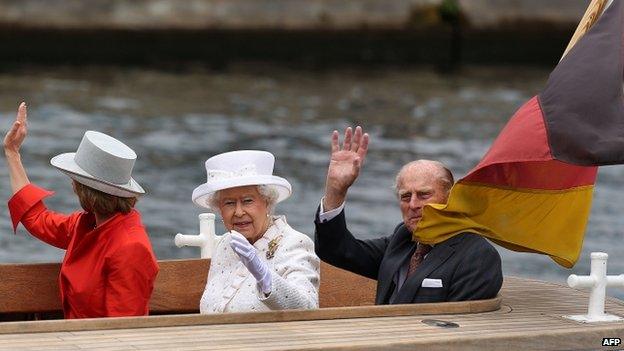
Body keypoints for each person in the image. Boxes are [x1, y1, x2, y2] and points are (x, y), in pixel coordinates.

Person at [4, 102, 159, 318]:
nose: (72, 184)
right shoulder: (87, 224)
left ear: (83, 189)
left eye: (75, 179)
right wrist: (12, 153)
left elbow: (123, 330)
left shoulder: (130, 247)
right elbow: (37, 218)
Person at [315, 126, 502, 304]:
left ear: (449, 197)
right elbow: (337, 251)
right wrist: (336, 190)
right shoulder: (403, 239)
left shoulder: (477, 256)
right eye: (405, 196)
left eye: (424, 195)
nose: (413, 204)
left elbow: (457, 327)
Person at [193, 150, 320, 313]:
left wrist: (266, 279)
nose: (238, 212)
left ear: (268, 202)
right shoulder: (225, 244)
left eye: (247, 201)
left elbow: (307, 307)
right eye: (229, 203)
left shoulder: (294, 243)